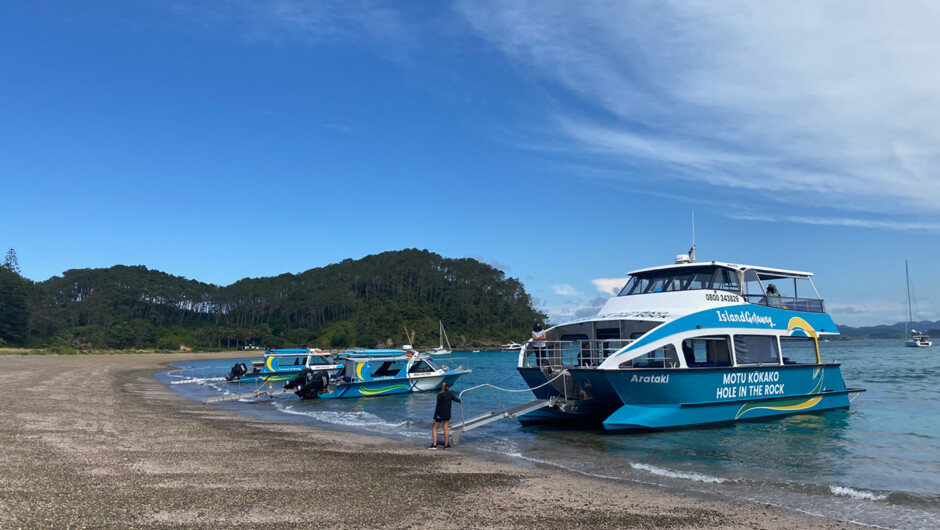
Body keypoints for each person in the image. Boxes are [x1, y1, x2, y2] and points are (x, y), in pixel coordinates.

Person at [429, 382, 461, 449]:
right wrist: (459, 400)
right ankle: (446, 445)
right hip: (447, 414)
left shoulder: (440, 395)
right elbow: (456, 400)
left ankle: (434, 444)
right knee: (445, 429)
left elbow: (437, 407)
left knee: (434, 428)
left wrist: (434, 417)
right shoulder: (450, 394)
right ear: (447, 387)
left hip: (440, 414)